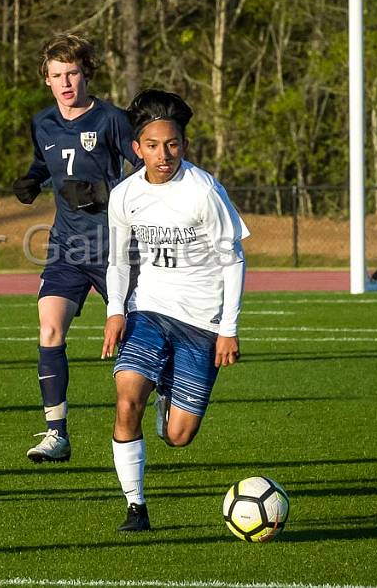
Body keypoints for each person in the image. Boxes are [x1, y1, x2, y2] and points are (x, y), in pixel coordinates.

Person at [100, 89, 249, 532]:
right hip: (149, 308)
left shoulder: (204, 191)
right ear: (137, 148)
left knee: (178, 436)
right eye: (153, 145)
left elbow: (234, 258)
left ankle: (170, 394)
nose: (163, 155)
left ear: (183, 146)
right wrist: (115, 311)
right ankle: (135, 506)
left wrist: (228, 329)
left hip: (201, 322)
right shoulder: (125, 195)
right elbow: (115, 260)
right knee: (127, 398)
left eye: (172, 145)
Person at [12, 33, 139, 463]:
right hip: (66, 246)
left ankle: (155, 397)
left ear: (87, 74)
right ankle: (56, 434)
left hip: (114, 248)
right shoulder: (42, 122)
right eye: (56, 75)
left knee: (134, 337)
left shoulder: (112, 120)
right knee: (49, 328)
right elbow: (43, 162)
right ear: (46, 80)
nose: (65, 83)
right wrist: (31, 179)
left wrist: (107, 194)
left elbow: (147, 174)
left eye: (72, 73)